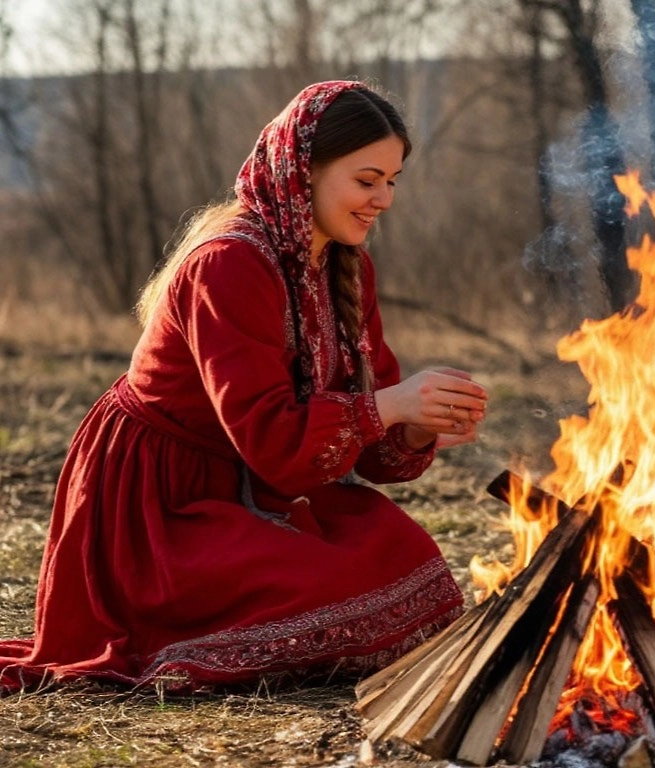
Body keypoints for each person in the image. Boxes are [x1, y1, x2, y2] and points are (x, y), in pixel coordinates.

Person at [0, 80, 488, 692]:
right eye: (367, 180)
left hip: (260, 489)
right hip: (162, 505)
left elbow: (365, 441)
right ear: (303, 171)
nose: (384, 199)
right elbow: (274, 440)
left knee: (411, 560)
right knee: (342, 587)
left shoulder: (346, 265)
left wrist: (417, 423)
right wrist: (389, 405)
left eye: (392, 181)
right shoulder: (228, 265)